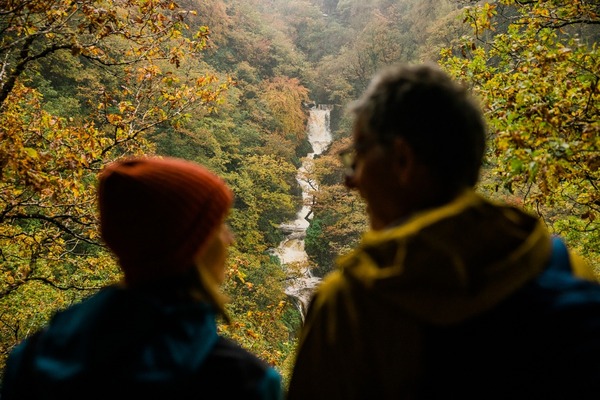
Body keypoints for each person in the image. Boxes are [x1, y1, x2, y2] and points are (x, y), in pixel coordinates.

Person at [287, 63, 600, 399]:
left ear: (403, 159)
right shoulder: (561, 265)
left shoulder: (349, 308)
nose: (350, 179)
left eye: (359, 155)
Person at [1, 156, 283, 399]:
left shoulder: (34, 356)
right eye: (218, 226)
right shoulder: (244, 381)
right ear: (190, 246)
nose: (230, 240)